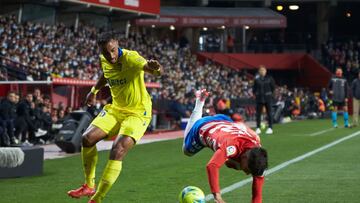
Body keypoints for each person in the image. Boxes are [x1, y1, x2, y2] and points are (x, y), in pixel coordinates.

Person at [67, 32, 162, 203]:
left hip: (137, 112)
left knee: (117, 150)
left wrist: (156, 68)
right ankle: (89, 186)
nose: (110, 56)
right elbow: (106, 74)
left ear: (117, 44)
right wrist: (93, 91)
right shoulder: (103, 59)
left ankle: (97, 199)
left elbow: (151, 69)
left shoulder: (131, 58)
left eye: (112, 50)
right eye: (106, 53)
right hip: (115, 109)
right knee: (87, 139)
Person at [183, 89, 268, 203]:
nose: (248, 173)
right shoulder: (231, 146)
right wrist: (218, 197)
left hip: (226, 121)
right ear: (245, 157)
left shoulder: (257, 154)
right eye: (248, 169)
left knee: (235, 164)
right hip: (204, 126)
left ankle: (231, 160)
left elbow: (257, 196)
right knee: (186, 151)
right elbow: (212, 166)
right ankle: (200, 102)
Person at [253, 65, 275, 134]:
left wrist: (269, 94)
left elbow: (273, 87)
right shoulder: (256, 79)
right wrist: (256, 94)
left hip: (268, 98)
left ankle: (270, 128)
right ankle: (258, 128)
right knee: (258, 114)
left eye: (263, 70)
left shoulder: (269, 78)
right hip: (259, 98)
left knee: (269, 113)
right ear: (259, 71)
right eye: (261, 70)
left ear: (266, 71)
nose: (262, 71)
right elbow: (254, 89)